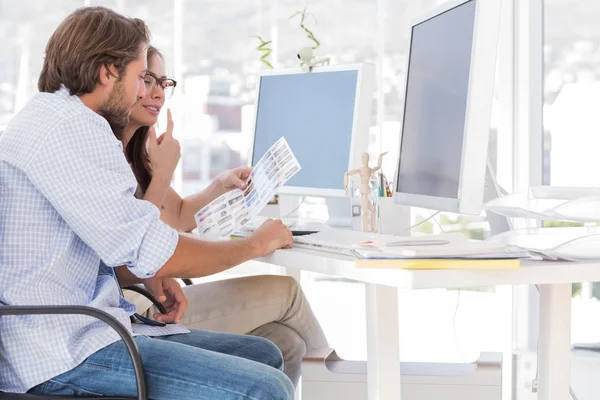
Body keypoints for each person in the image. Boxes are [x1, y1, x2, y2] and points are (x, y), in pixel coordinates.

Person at [0, 6, 294, 399]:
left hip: (84, 327)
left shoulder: (52, 118)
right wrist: (256, 245)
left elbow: (122, 243)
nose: (144, 91)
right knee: (266, 387)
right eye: (141, 78)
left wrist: (152, 273)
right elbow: (149, 250)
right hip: (61, 349)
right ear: (107, 72)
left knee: (263, 355)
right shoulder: (72, 129)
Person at [118, 45, 329, 387]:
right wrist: (162, 175)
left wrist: (219, 186)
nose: (156, 92)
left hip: (148, 295)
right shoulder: (111, 157)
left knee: (285, 342)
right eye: (146, 79)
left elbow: (178, 214)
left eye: (163, 82)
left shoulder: (138, 153)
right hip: (136, 309)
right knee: (288, 293)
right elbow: (139, 247)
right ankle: (342, 391)